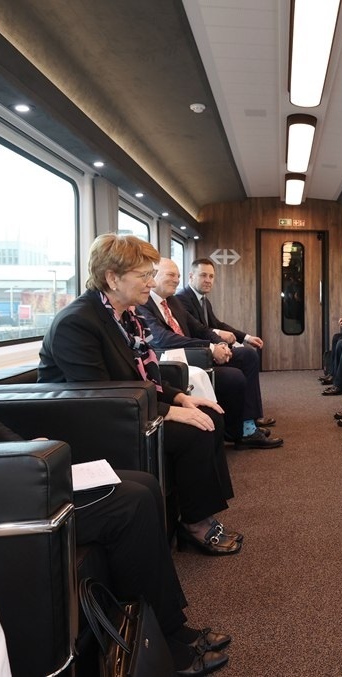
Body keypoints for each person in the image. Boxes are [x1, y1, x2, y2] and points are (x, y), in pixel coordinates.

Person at [0, 176, 230, 675]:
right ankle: (172, 642)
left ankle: (158, 631)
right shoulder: (77, 321)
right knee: (130, 501)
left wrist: (26, 451)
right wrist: (24, 467)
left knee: (142, 487)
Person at [39, 234, 244, 558]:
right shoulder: (78, 322)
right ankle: (195, 524)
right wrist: (165, 411)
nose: (151, 282)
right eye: (144, 275)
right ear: (112, 278)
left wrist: (179, 398)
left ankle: (198, 511)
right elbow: (100, 396)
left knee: (210, 415)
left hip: (124, 406)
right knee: (195, 431)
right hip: (91, 422)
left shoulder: (125, 318)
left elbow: (142, 377)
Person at [138, 258, 282, 449]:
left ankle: (247, 423)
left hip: (197, 352)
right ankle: (241, 431)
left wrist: (219, 344)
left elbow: (201, 328)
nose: (177, 280)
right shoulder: (143, 304)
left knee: (248, 355)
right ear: (153, 275)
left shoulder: (172, 302)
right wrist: (211, 348)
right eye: (171, 275)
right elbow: (162, 339)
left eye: (178, 276)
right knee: (234, 377)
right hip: (177, 360)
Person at [176, 258, 275, 429]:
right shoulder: (182, 299)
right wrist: (219, 343)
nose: (208, 280)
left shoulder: (203, 300)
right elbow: (198, 330)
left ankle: (250, 418)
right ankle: (248, 422)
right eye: (203, 275)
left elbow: (217, 324)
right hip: (197, 352)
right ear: (191, 276)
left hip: (209, 347)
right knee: (247, 356)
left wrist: (246, 337)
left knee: (248, 353)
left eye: (211, 276)